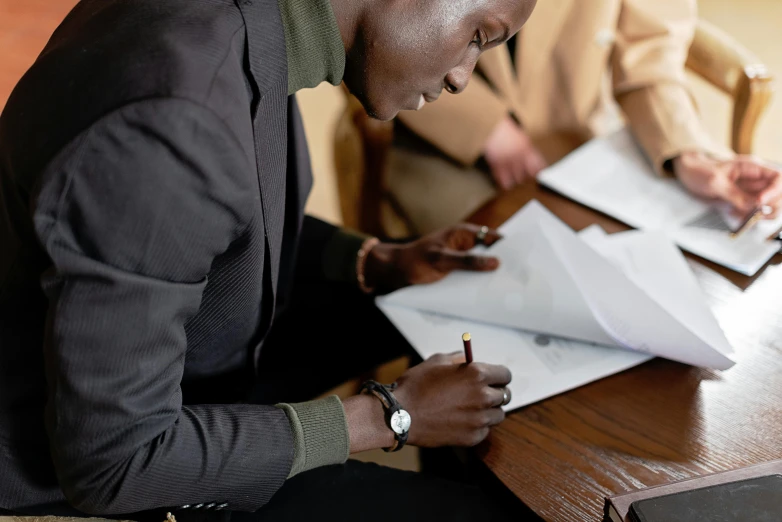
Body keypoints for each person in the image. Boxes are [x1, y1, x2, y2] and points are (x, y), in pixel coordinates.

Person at [0, 0, 536, 520]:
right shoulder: (175, 121)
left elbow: (218, 221)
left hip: (169, 362)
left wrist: (378, 262)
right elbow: (114, 462)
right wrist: (389, 416)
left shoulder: (253, 26)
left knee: (406, 309)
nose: (464, 76)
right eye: (476, 37)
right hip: (91, 464)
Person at [387, 0, 782, 235]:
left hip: (577, 141)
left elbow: (650, 58)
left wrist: (687, 153)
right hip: (441, 135)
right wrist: (488, 127)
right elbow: (371, 27)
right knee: (483, 268)